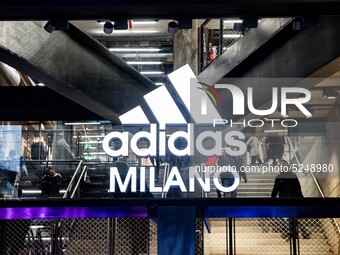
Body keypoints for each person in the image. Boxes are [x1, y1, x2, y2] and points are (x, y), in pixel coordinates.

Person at [271, 159, 309, 239]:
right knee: (290, 217)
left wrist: (273, 199)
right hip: (288, 200)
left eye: (283, 165)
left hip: (289, 200)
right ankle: (294, 232)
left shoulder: (283, 177)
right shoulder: (288, 176)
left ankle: (290, 232)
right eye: (281, 166)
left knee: (288, 217)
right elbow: (276, 190)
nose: (282, 167)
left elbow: (298, 188)